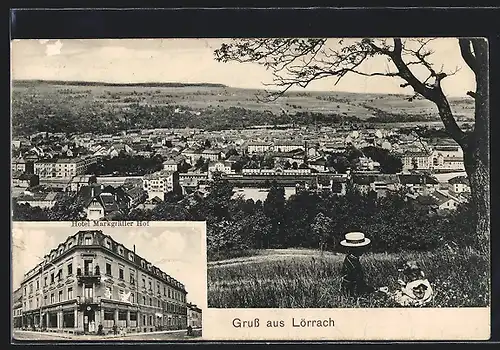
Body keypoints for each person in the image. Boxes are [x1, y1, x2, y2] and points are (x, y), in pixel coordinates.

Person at [340, 232, 376, 297]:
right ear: (357, 249)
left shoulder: (351, 259)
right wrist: (374, 290)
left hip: (353, 293)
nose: (364, 249)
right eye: (362, 247)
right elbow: (357, 286)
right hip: (353, 296)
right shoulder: (352, 264)